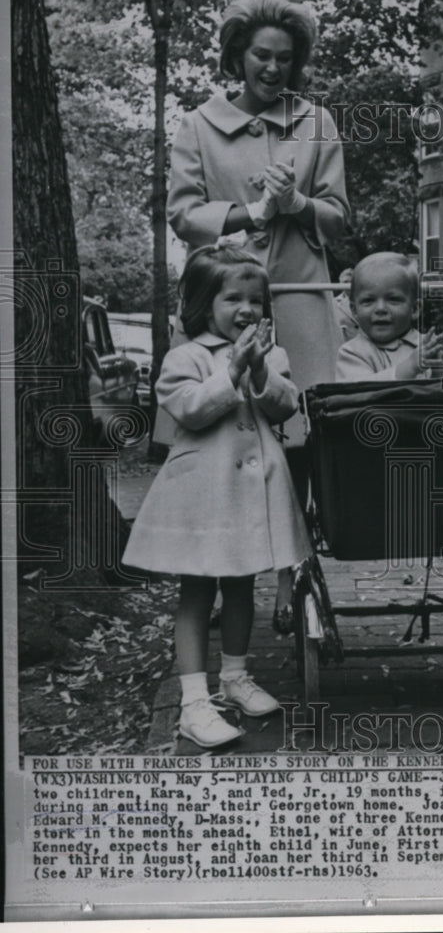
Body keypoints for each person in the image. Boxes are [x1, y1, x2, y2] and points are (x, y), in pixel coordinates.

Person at [164, 0, 349, 615]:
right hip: (223, 303)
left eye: (286, 59)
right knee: (220, 431)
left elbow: (340, 220)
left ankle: (287, 578)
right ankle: (220, 569)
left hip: (297, 300)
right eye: (261, 56)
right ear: (238, 56)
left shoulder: (317, 124)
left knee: (293, 437)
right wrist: (248, 213)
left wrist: (297, 206)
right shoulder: (197, 126)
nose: (273, 70)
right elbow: (183, 215)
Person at [123, 243, 311, 748]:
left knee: (243, 585)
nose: (247, 310)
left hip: (254, 492)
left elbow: (285, 407)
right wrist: (230, 374)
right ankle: (193, 701)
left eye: (256, 300)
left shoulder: (274, 355)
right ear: (206, 303)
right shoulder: (184, 356)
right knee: (197, 591)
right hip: (203, 495)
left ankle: (234, 675)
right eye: (233, 299)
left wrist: (258, 372)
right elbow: (189, 409)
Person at [336, 252, 443, 381]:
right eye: (369, 300)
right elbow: (360, 393)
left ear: (415, 309)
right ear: (354, 310)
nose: (380, 309)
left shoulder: (428, 346)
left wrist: (440, 369)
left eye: (393, 299)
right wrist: (410, 367)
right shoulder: (352, 353)